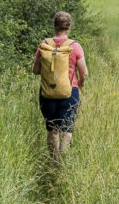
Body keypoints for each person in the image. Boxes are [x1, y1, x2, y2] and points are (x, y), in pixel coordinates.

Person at [32, 11, 88, 163]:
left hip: (47, 94)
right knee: (66, 130)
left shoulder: (44, 45)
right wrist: (81, 83)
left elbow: (35, 70)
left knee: (52, 129)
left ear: (54, 26)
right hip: (70, 93)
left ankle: (53, 161)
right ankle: (63, 164)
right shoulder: (75, 47)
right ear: (69, 27)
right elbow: (84, 72)